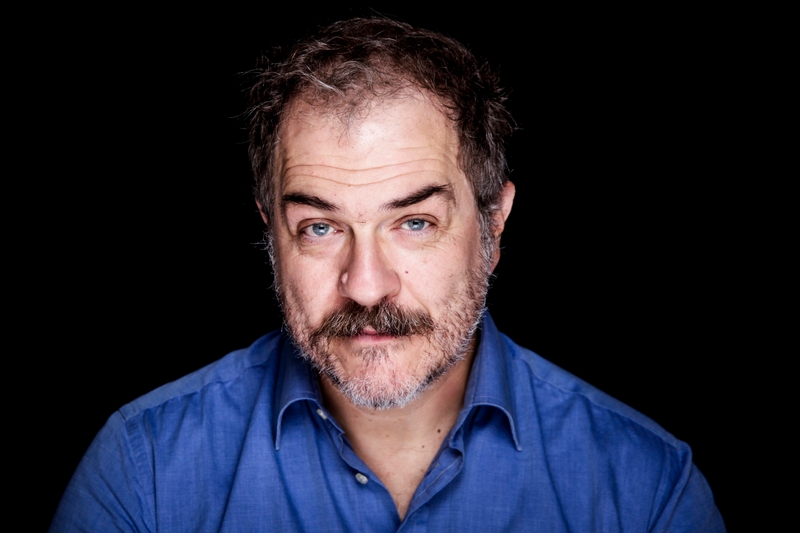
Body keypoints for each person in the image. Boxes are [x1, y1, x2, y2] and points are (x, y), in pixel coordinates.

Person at [50, 17, 725, 532]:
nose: (367, 285)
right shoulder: (144, 473)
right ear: (271, 234)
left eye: (414, 223)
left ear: (494, 225)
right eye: (320, 228)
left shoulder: (647, 493)